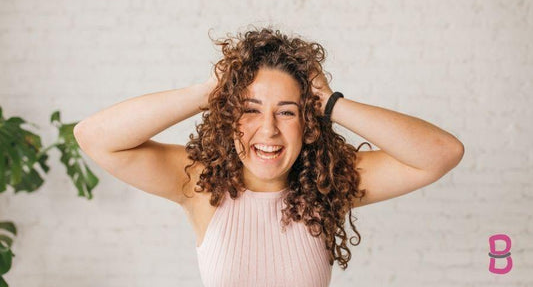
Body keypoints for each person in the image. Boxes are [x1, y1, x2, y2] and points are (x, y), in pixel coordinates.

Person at [73, 26, 464, 287]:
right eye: (250, 109)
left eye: (288, 111)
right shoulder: (197, 182)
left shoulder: (331, 183)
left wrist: (330, 102)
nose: (269, 129)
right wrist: (208, 92)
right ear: (229, 116)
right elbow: (94, 137)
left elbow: (442, 154)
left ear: (309, 123)